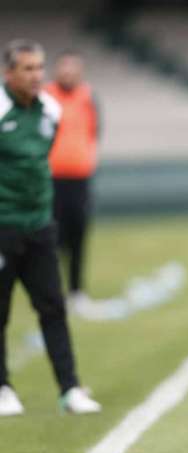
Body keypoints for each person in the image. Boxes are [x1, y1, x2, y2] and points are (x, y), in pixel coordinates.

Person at [0, 39, 101, 416]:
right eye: (26, 68)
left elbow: (39, 159)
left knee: (53, 308)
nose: (35, 75)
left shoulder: (51, 110)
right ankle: (3, 388)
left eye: (39, 68)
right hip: (3, 225)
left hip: (39, 223)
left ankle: (70, 388)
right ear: (8, 73)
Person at [44, 50, 100, 314]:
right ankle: (51, 292)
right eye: (64, 68)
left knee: (78, 235)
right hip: (50, 179)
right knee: (52, 238)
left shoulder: (88, 97)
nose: (68, 73)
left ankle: (77, 291)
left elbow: (94, 132)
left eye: (73, 68)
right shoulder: (44, 97)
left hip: (79, 179)